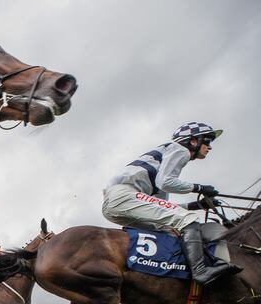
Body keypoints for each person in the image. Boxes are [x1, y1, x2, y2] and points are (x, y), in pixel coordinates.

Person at [102, 121, 242, 284]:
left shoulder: (160, 167)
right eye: (207, 141)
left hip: (119, 204)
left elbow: (162, 207)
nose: (209, 147)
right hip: (124, 196)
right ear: (193, 141)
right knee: (188, 220)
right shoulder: (180, 149)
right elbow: (166, 182)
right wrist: (199, 188)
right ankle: (200, 271)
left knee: (174, 225)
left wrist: (197, 205)